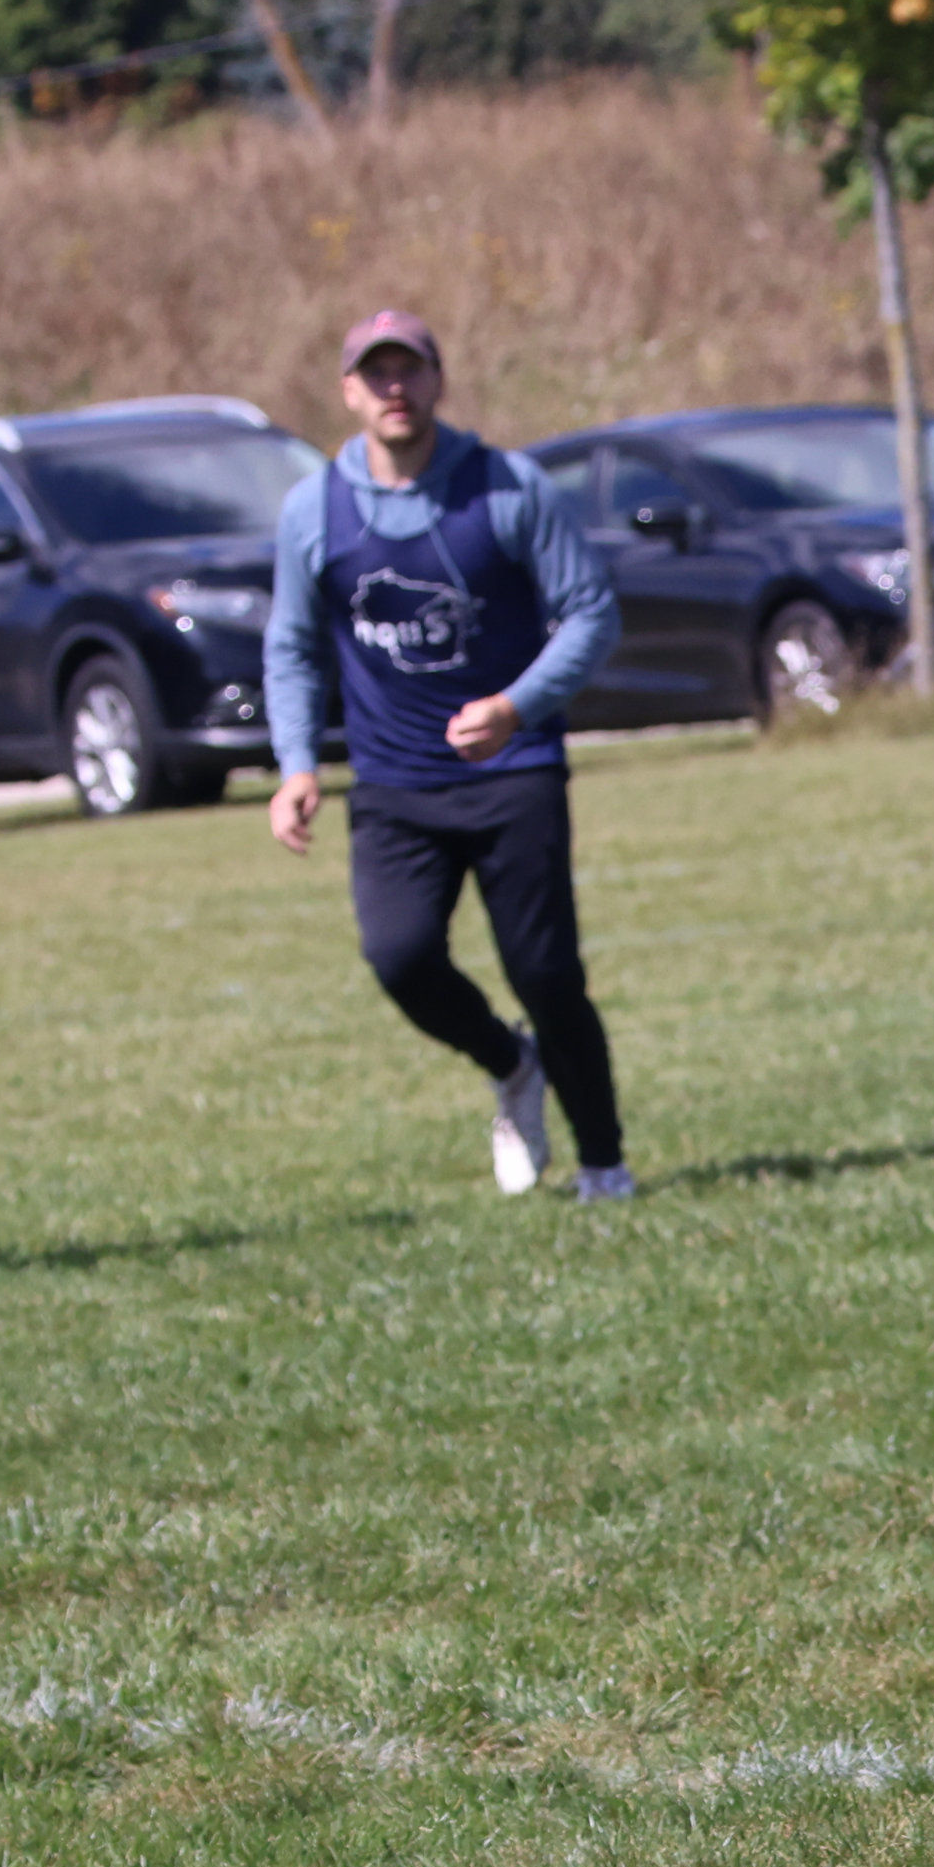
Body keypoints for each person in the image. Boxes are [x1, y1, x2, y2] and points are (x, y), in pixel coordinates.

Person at [264, 308, 632, 1200]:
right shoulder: (314, 509)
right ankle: (511, 1064)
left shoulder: (505, 487)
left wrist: (516, 706)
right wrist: (297, 763)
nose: (395, 387)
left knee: (546, 973)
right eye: (375, 373)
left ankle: (603, 1164)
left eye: (410, 369)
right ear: (348, 391)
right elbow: (293, 646)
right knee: (399, 957)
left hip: (513, 772)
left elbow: (590, 611)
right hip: (395, 784)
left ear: (438, 379)